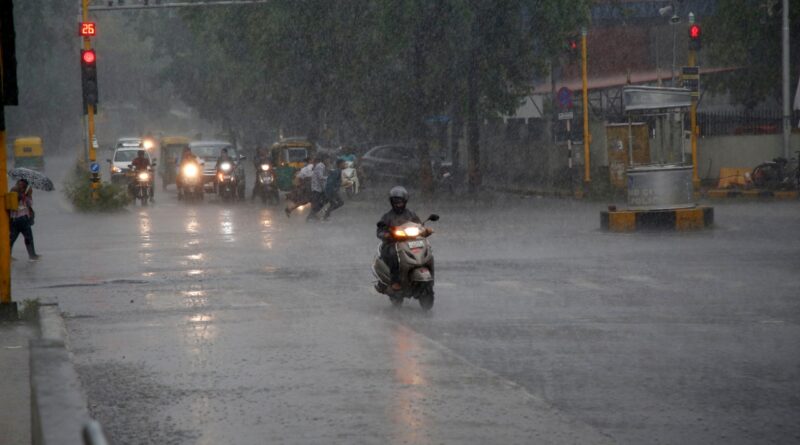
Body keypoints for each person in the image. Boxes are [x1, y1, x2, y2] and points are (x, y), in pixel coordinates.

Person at [376, 186, 432, 290]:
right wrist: (387, 235)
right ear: (391, 202)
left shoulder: (411, 214)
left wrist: (426, 231)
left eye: (400, 201)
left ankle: (428, 273)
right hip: (393, 244)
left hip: (410, 242)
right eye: (396, 201)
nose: (398, 204)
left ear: (405, 201)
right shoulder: (387, 217)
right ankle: (395, 281)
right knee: (393, 254)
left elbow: (419, 226)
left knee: (427, 248)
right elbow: (380, 231)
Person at [9, 179, 39, 261]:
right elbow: (29, 203)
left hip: (13, 219)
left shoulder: (12, 193)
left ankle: (7, 256)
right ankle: (32, 256)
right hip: (22, 219)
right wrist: (29, 194)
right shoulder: (22, 195)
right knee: (28, 237)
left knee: (12, 238)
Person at [306, 155, 329, 221]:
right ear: (324, 160)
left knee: (320, 203)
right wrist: (328, 178)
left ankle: (314, 216)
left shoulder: (322, 166)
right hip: (317, 188)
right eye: (327, 160)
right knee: (317, 203)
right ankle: (310, 217)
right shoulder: (320, 166)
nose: (328, 161)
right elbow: (320, 177)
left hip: (318, 188)